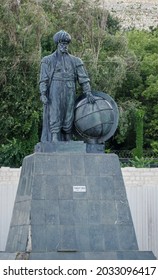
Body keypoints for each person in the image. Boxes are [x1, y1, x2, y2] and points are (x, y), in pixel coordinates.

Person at [39, 30, 95, 142]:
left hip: (70, 87)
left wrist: (88, 92)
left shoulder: (76, 61)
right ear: (58, 45)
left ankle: (67, 135)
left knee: (69, 111)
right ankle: (55, 136)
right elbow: (43, 79)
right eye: (62, 44)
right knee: (55, 111)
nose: (65, 46)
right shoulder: (47, 60)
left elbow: (83, 78)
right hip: (55, 87)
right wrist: (43, 93)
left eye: (66, 44)